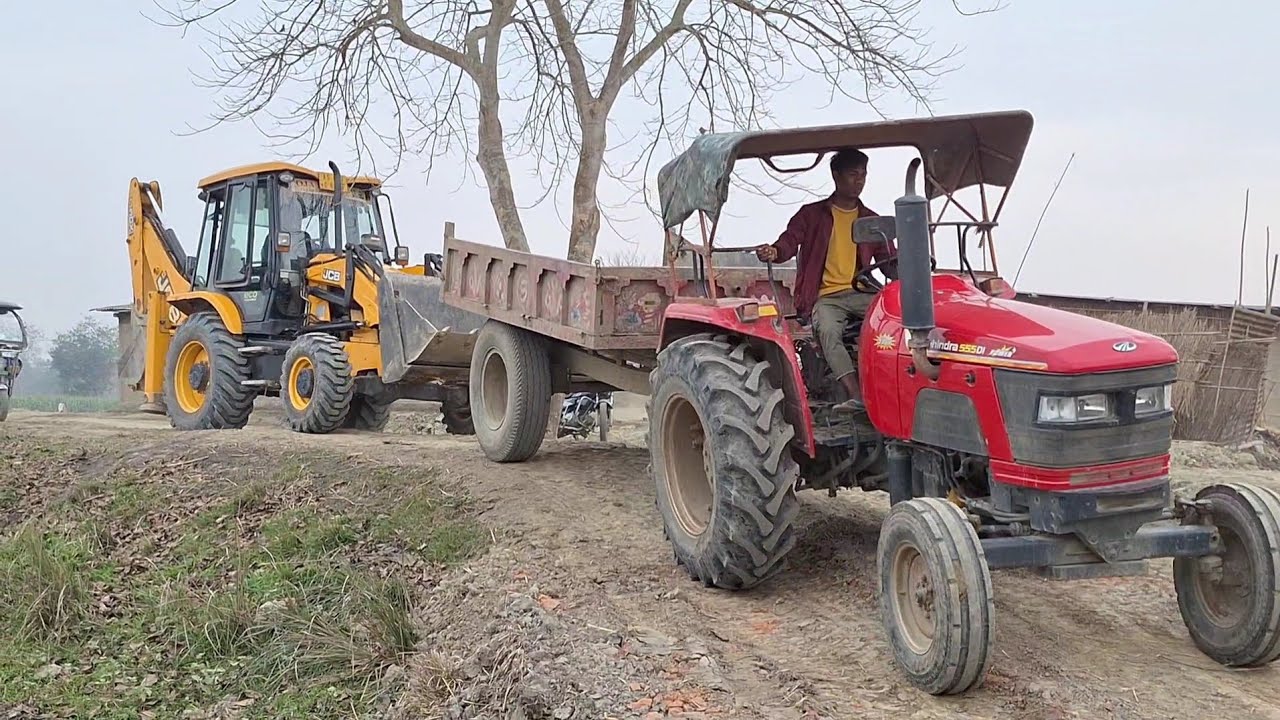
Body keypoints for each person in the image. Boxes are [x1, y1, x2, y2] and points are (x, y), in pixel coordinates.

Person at [755, 148, 896, 412]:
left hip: (862, 293)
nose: (859, 181)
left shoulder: (870, 220)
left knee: (895, 327)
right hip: (827, 297)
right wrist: (775, 251)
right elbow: (789, 240)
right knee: (829, 331)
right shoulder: (811, 215)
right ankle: (856, 396)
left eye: (863, 175)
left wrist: (911, 266)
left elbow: (889, 261)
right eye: (853, 174)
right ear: (836, 175)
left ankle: (890, 389)